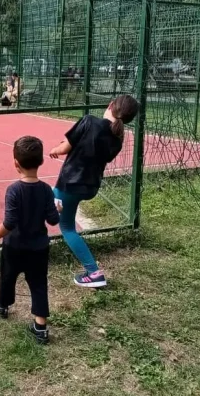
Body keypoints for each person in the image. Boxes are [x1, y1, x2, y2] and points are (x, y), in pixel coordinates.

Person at [49, 95, 139, 288]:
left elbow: (66, 147)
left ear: (110, 105)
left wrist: (56, 149)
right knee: (56, 204)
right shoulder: (118, 138)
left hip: (71, 184)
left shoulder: (89, 121)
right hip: (90, 187)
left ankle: (94, 272)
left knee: (66, 227)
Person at [0, 136, 59, 344]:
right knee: (39, 283)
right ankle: (40, 327)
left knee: (7, 276)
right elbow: (53, 220)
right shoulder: (46, 190)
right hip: (39, 248)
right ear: (41, 161)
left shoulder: (13, 190)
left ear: (16, 163)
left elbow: (10, 223)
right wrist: (57, 208)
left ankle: (3, 306)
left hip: (14, 246)